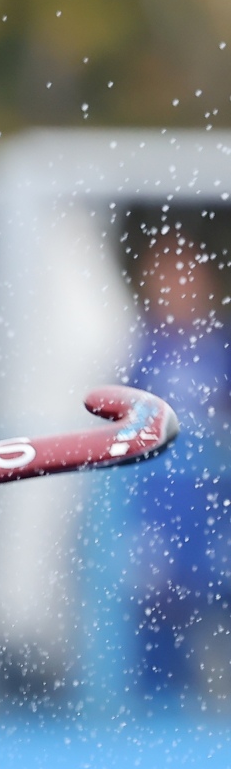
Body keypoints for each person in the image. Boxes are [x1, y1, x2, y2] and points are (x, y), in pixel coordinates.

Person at [122, 229, 231, 705]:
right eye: (164, 277)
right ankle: (150, 702)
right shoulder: (139, 347)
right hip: (156, 505)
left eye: (184, 276)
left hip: (210, 503)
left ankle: (208, 691)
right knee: (152, 604)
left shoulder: (221, 346)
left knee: (210, 600)